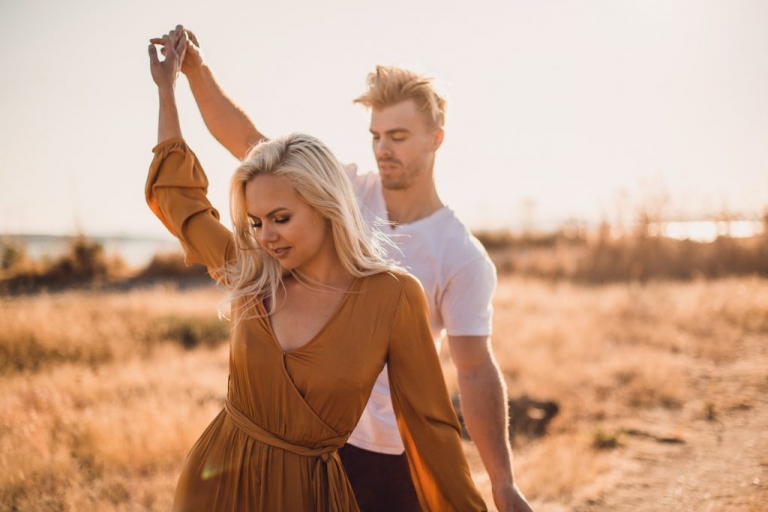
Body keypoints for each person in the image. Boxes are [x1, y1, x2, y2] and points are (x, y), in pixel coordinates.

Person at [157, 25, 532, 512]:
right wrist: (195, 72)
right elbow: (248, 145)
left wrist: (502, 483)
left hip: (382, 451)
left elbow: (474, 371)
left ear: (435, 139)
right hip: (281, 447)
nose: (382, 148)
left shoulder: (458, 255)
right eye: (376, 135)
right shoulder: (342, 191)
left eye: (398, 136)